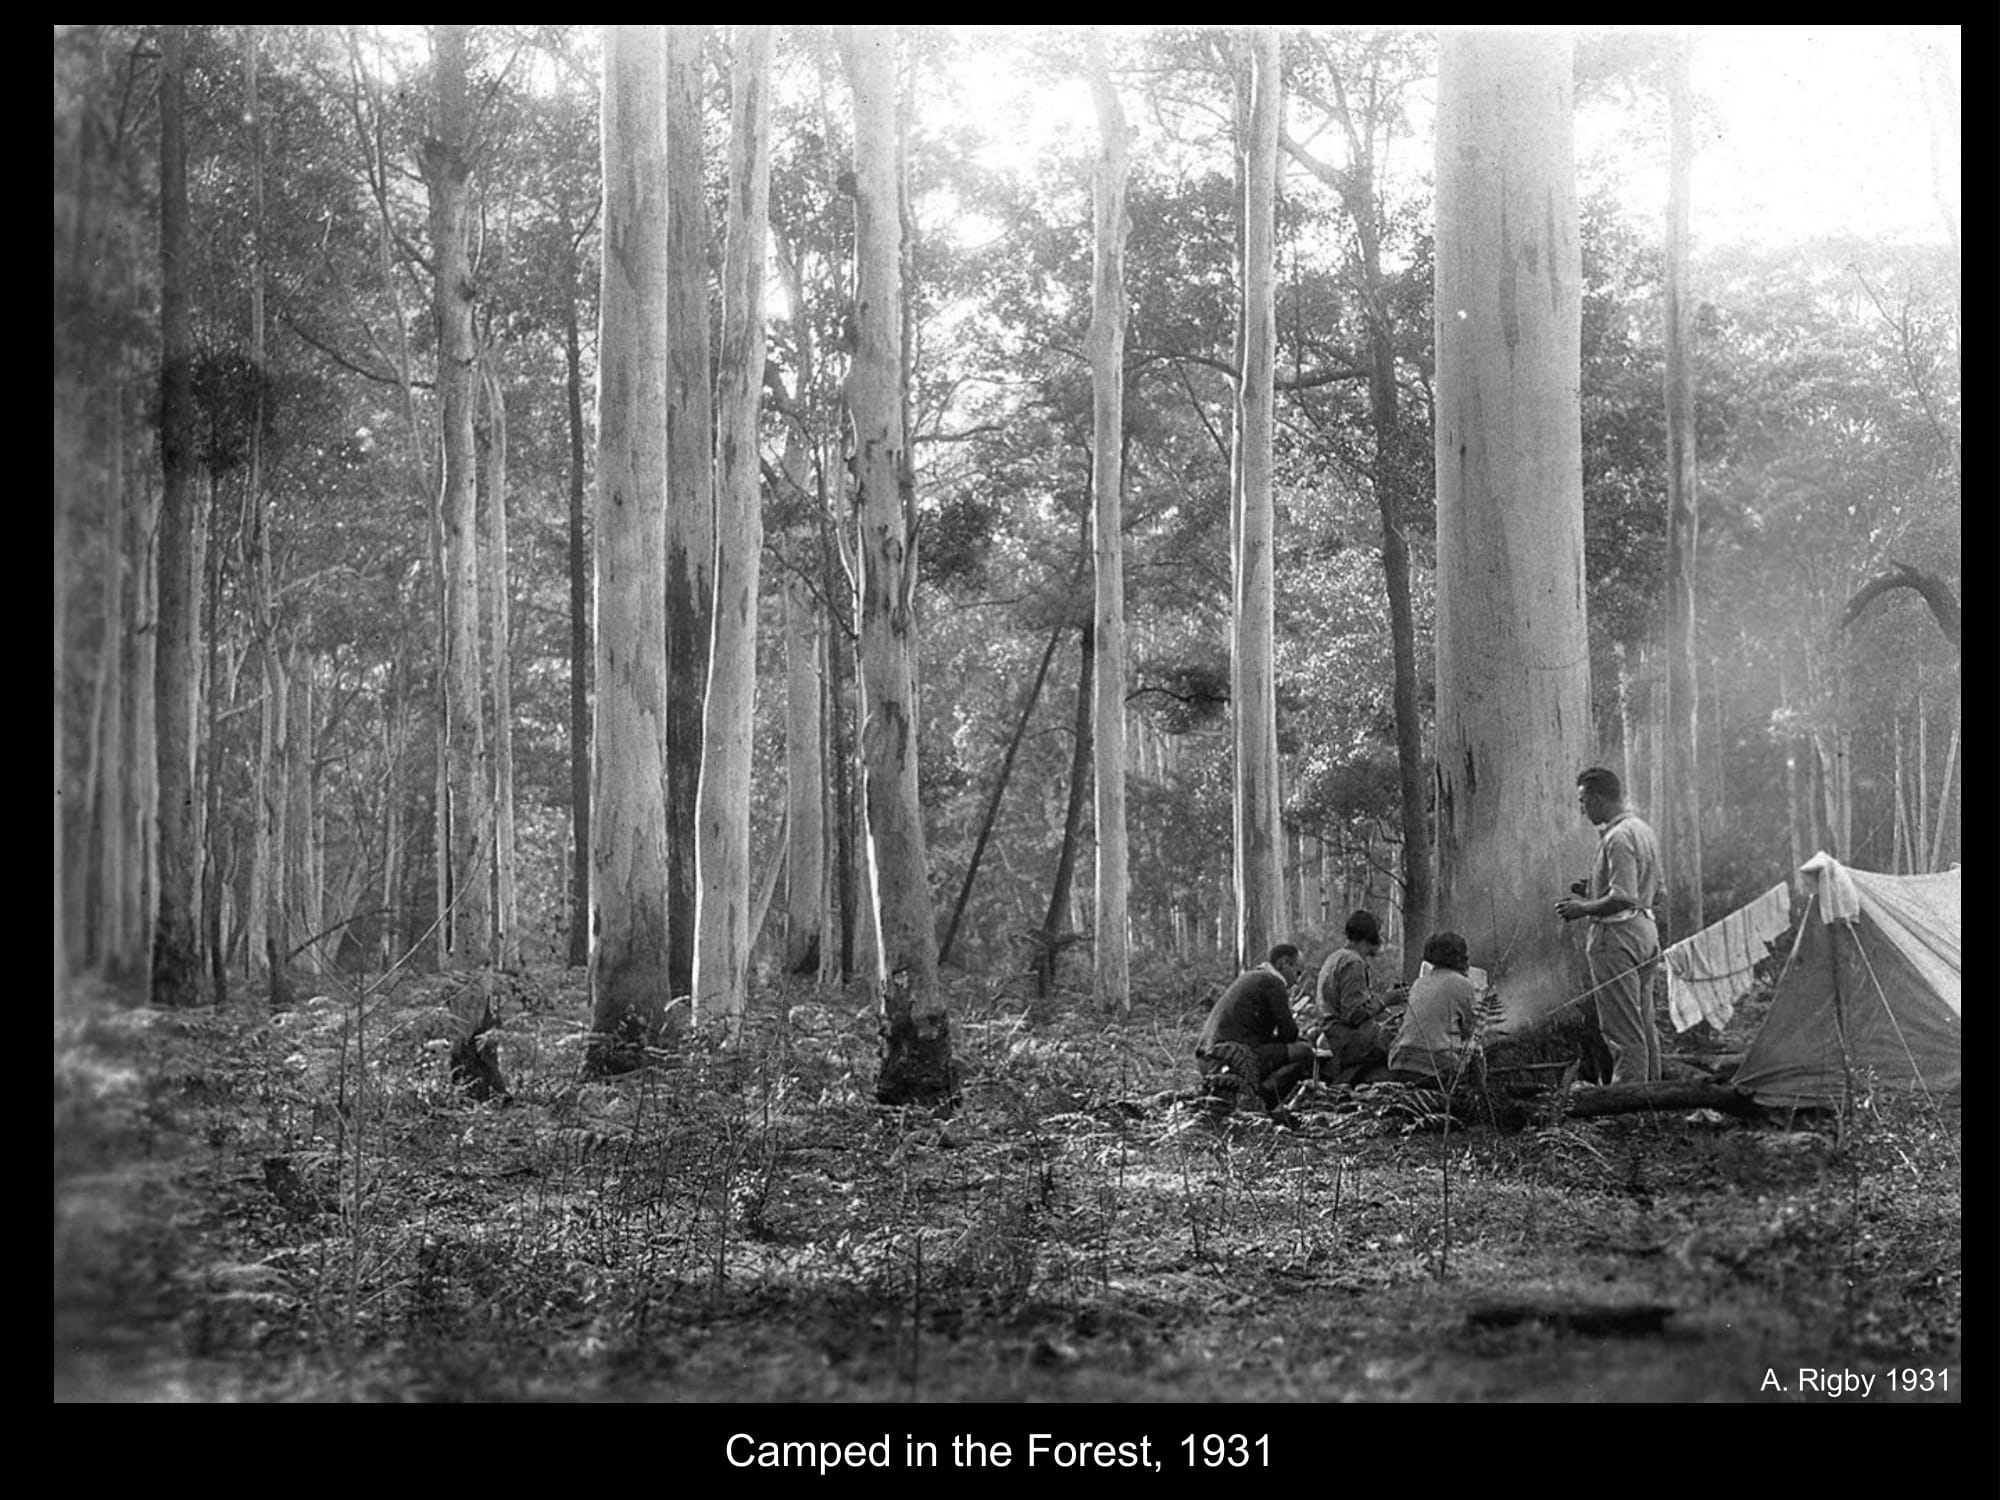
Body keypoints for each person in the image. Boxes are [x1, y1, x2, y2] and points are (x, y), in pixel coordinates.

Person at [1555, 766, 1664, 1085]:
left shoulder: (1617, 838)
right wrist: (1593, 887)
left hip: (1616, 938)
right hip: (1645, 933)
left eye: (1583, 801)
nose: (1582, 808)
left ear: (1599, 799)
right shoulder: (1642, 830)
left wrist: (1582, 908)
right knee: (1643, 1023)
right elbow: (1657, 891)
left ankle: (1627, 1103)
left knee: (1621, 1029)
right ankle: (1653, 1096)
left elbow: (1624, 896)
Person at [1195, 943, 1315, 1115]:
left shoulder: (1252, 976)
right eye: (1297, 973)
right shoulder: (1274, 982)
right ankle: (1261, 1103)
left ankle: (1248, 1096)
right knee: (1304, 1052)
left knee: (1286, 1050)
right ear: (1284, 963)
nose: (1296, 981)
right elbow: (1289, 1033)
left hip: (1208, 1059)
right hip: (1234, 1059)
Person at [1312, 910, 1401, 1085]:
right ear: (1371, 935)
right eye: (1379, 933)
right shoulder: (1353, 962)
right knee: (1404, 1047)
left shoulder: (1336, 957)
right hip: (1347, 1041)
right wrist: (1385, 1001)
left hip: (1334, 1036)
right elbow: (1353, 1014)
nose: (1382, 939)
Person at [1387, 931, 1484, 1088]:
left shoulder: (1419, 982)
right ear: (1461, 957)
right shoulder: (1463, 985)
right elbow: (1471, 1031)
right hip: (1436, 1069)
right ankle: (1476, 1100)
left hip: (1399, 1063)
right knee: (1475, 1048)